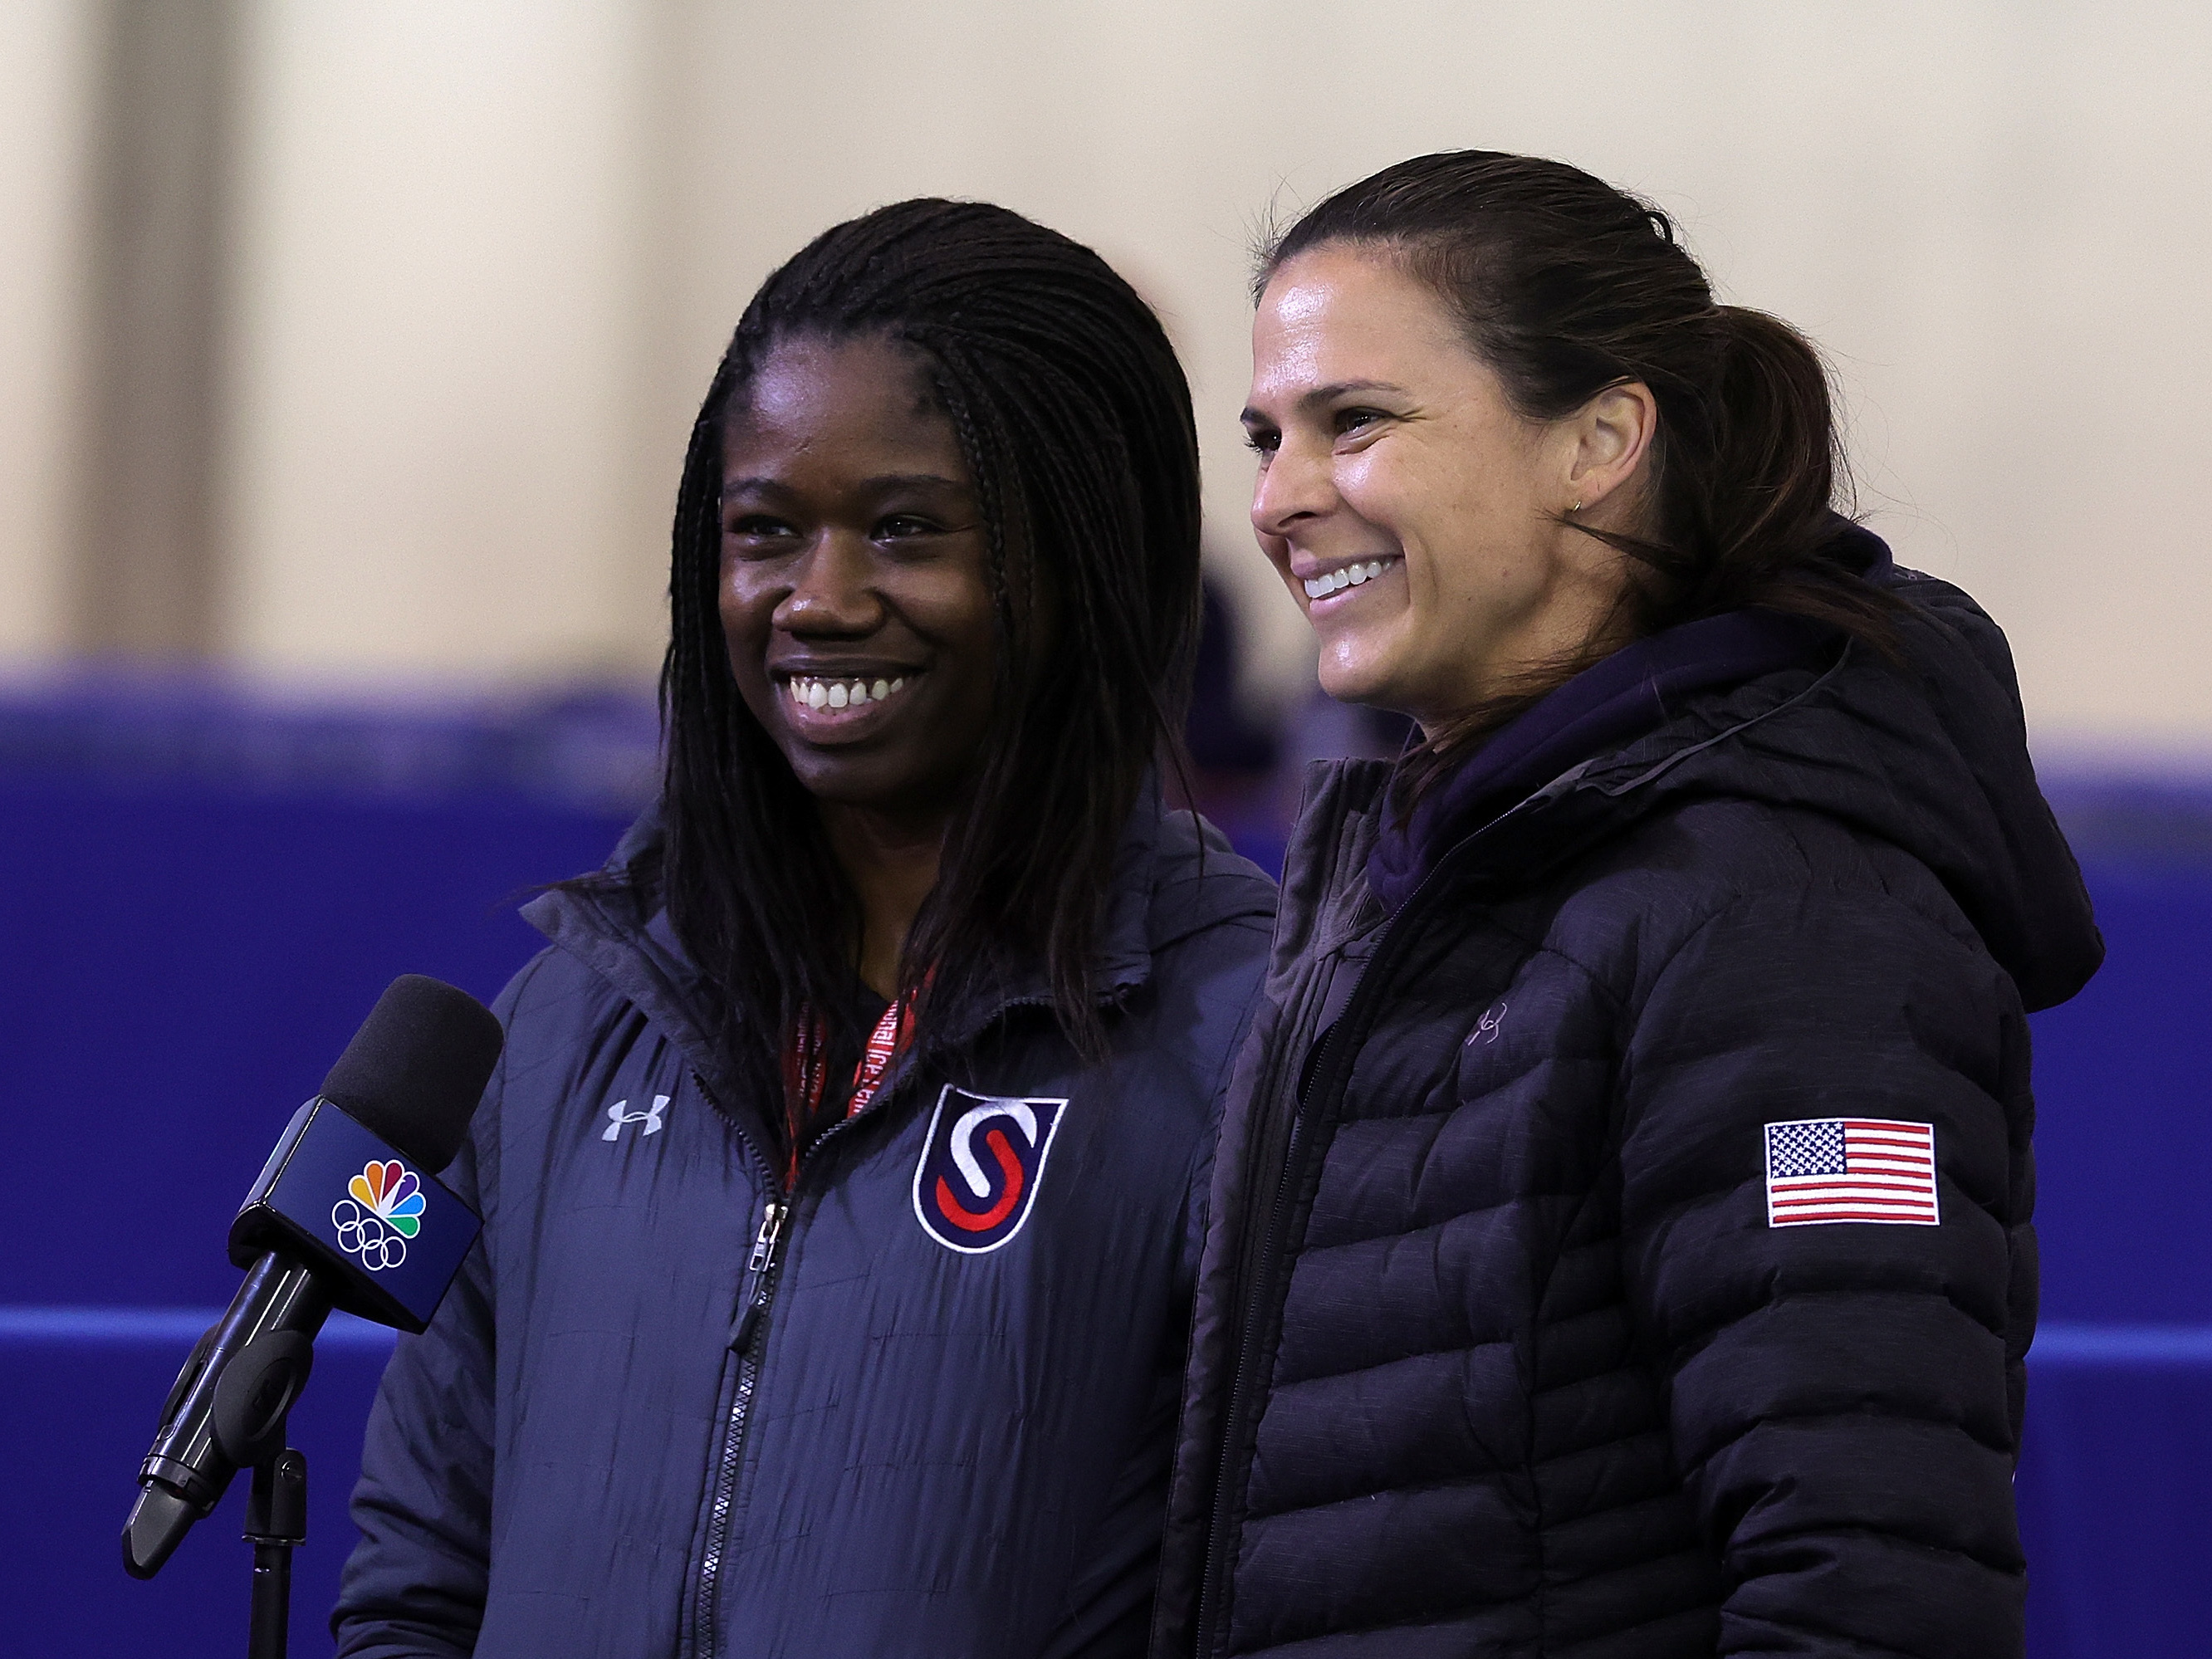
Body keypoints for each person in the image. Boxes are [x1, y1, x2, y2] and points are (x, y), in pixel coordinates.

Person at [1153, 152, 2102, 1659]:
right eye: (1268, 435)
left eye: (1358, 422)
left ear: (1599, 438)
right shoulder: (1403, 872)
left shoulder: (1786, 913)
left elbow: (1870, 1585)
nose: (1278, 501)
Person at [333, 198, 1275, 1657]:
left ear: (1077, 562)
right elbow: (422, 1565)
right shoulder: (572, 1016)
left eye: (905, 530)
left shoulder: (1246, 1028)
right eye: (766, 530)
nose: (818, 600)